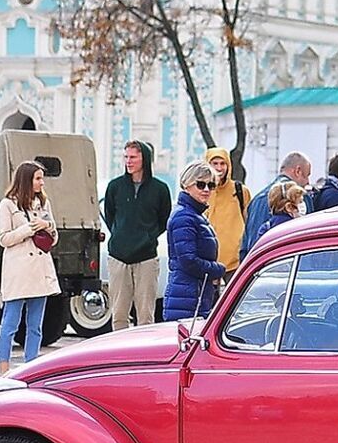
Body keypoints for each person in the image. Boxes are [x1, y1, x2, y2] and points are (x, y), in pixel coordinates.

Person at [0, 161, 59, 376]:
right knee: (10, 322)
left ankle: (31, 367)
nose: (42, 182)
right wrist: (28, 229)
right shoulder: (8, 205)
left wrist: (47, 226)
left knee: (35, 325)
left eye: (42, 178)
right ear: (26, 180)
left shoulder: (43, 203)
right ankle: (3, 369)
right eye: (38, 178)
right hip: (19, 270)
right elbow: (3, 238)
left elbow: (55, 238)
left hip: (40, 270)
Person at [102, 140, 171, 329]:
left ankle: (143, 356)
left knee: (145, 314)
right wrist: (119, 235)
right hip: (118, 257)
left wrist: (148, 237)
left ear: (145, 159)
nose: (128, 161)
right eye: (126, 157)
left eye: (133, 157)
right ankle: (119, 355)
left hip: (146, 257)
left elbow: (164, 219)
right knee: (119, 313)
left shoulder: (160, 189)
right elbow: (110, 215)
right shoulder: (115, 187)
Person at [163, 161, 227, 321]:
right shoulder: (184, 217)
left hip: (195, 294)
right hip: (187, 297)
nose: (206, 189)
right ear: (186, 185)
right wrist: (218, 269)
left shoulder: (194, 215)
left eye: (211, 185)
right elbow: (188, 261)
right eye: (200, 184)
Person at [243, 150, 311, 254]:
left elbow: (248, 247)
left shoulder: (258, 199)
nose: (308, 182)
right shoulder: (300, 196)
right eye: (307, 175)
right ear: (298, 171)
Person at [201, 146, 251, 271]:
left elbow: (249, 221)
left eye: (223, 163)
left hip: (236, 261)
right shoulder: (201, 191)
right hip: (208, 259)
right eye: (214, 163)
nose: (219, 168)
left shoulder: (240, 191)